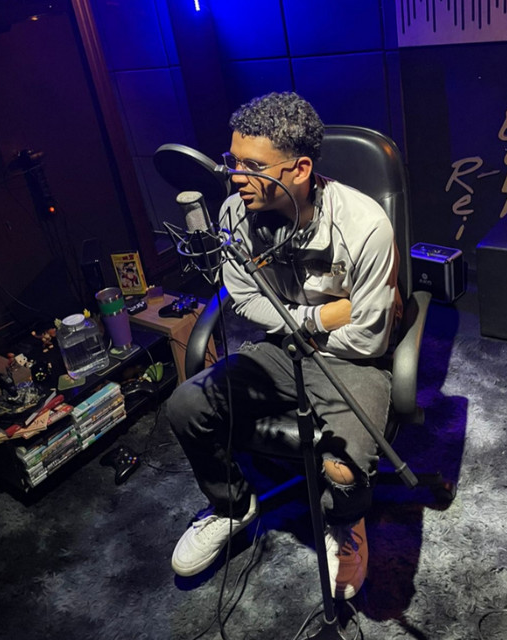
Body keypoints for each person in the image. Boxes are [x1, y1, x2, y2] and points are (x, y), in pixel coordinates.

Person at [166, 92, 402, 600]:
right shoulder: (234, 212)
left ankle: (347, 523)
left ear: (300, 169)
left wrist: (307, 326)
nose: (235, 177)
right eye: (232, 161)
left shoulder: (365, 226)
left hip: (353, 360)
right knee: (186, 405)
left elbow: (369, 336)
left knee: (343, 468)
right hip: (282, 348)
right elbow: (246, 299)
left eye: (253, 167)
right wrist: (319, 316)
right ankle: (231, 506)